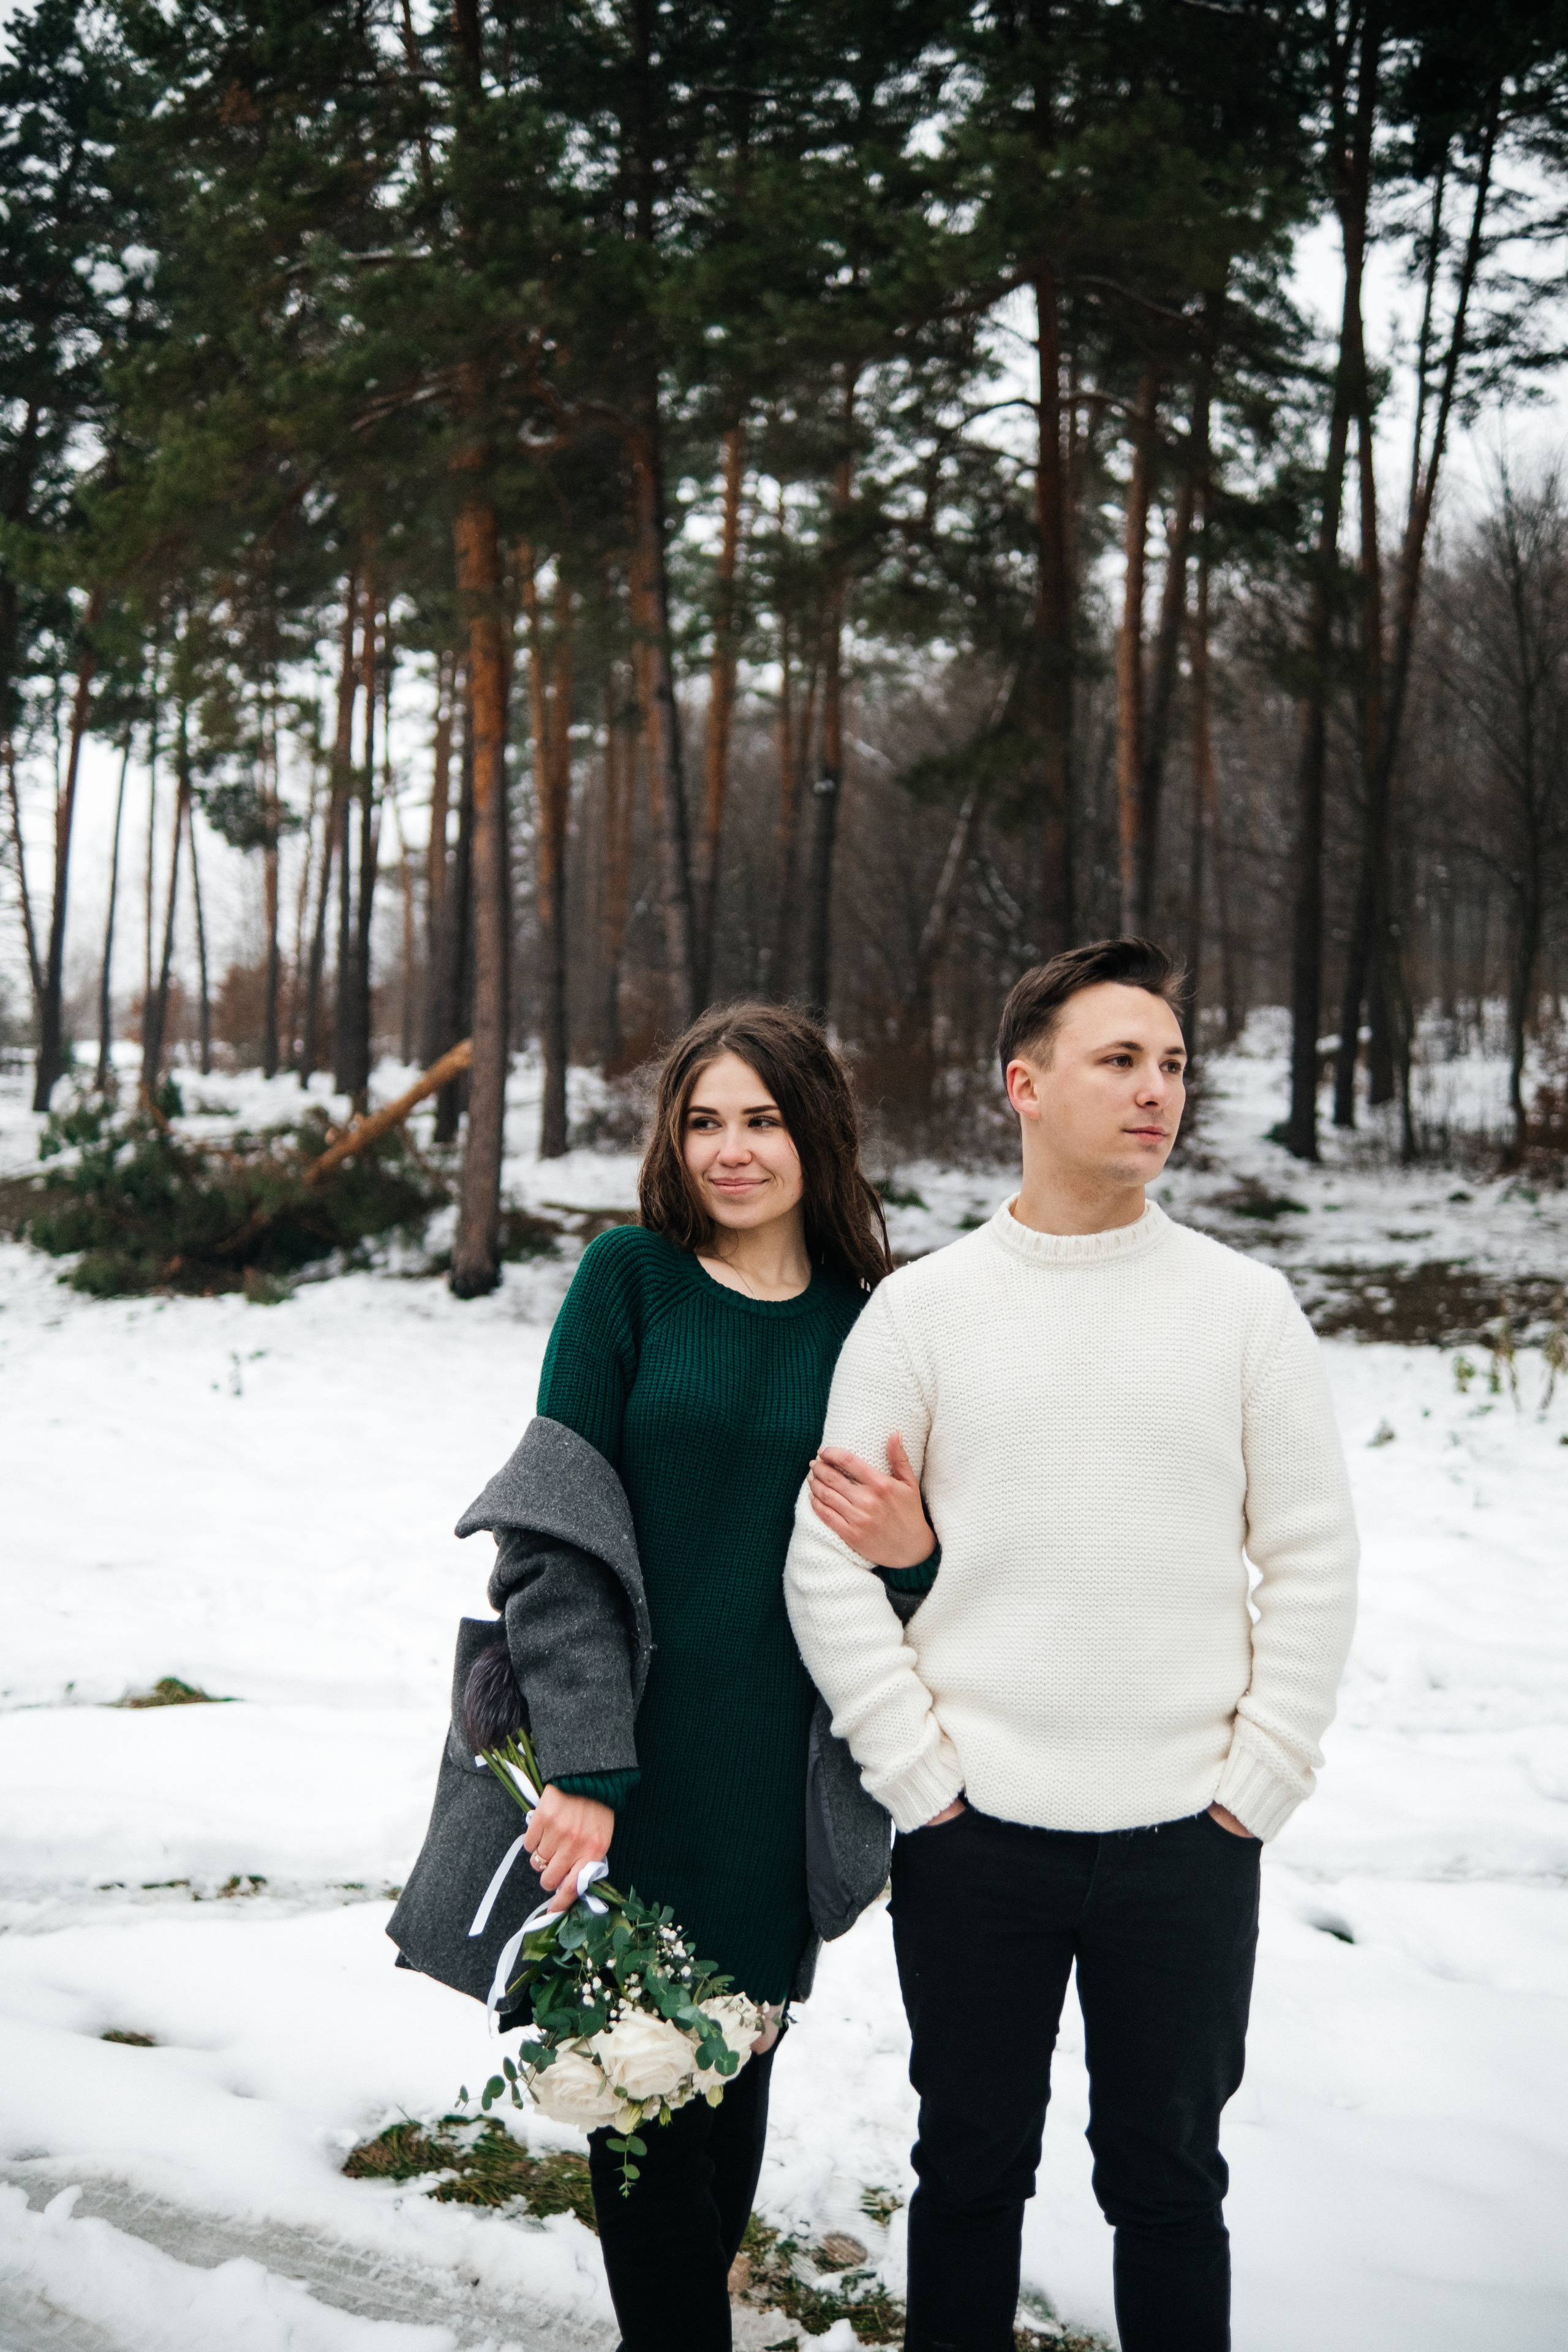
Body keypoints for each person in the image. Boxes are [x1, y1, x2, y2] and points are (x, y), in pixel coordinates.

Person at [783, 937, 1359, 2352]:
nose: (1154, 1090)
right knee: (968, 2175)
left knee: (1167, 2187)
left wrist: (1259, 1779)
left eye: (1171, 1064)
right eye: (1119, 1060)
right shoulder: (923, 1312)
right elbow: (826, 1562)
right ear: (1021, 1086)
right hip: (976, 1839)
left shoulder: (1241, 1310)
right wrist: (919, 1777)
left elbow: (1310, 1556)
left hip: (1187, 1838)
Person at [510, 1002, 894, 2351]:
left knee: (723, 2106)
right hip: (630, 1786)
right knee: (641, 2111)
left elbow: (901, 1570)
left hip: (778, 1798)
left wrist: (913, 1552)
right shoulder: (628, 1281)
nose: (731, 1151)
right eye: (703, 1121)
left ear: (817, 1134)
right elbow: (552, 1544)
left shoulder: (873, 1327)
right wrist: (586, 1765)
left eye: (762, 1120)